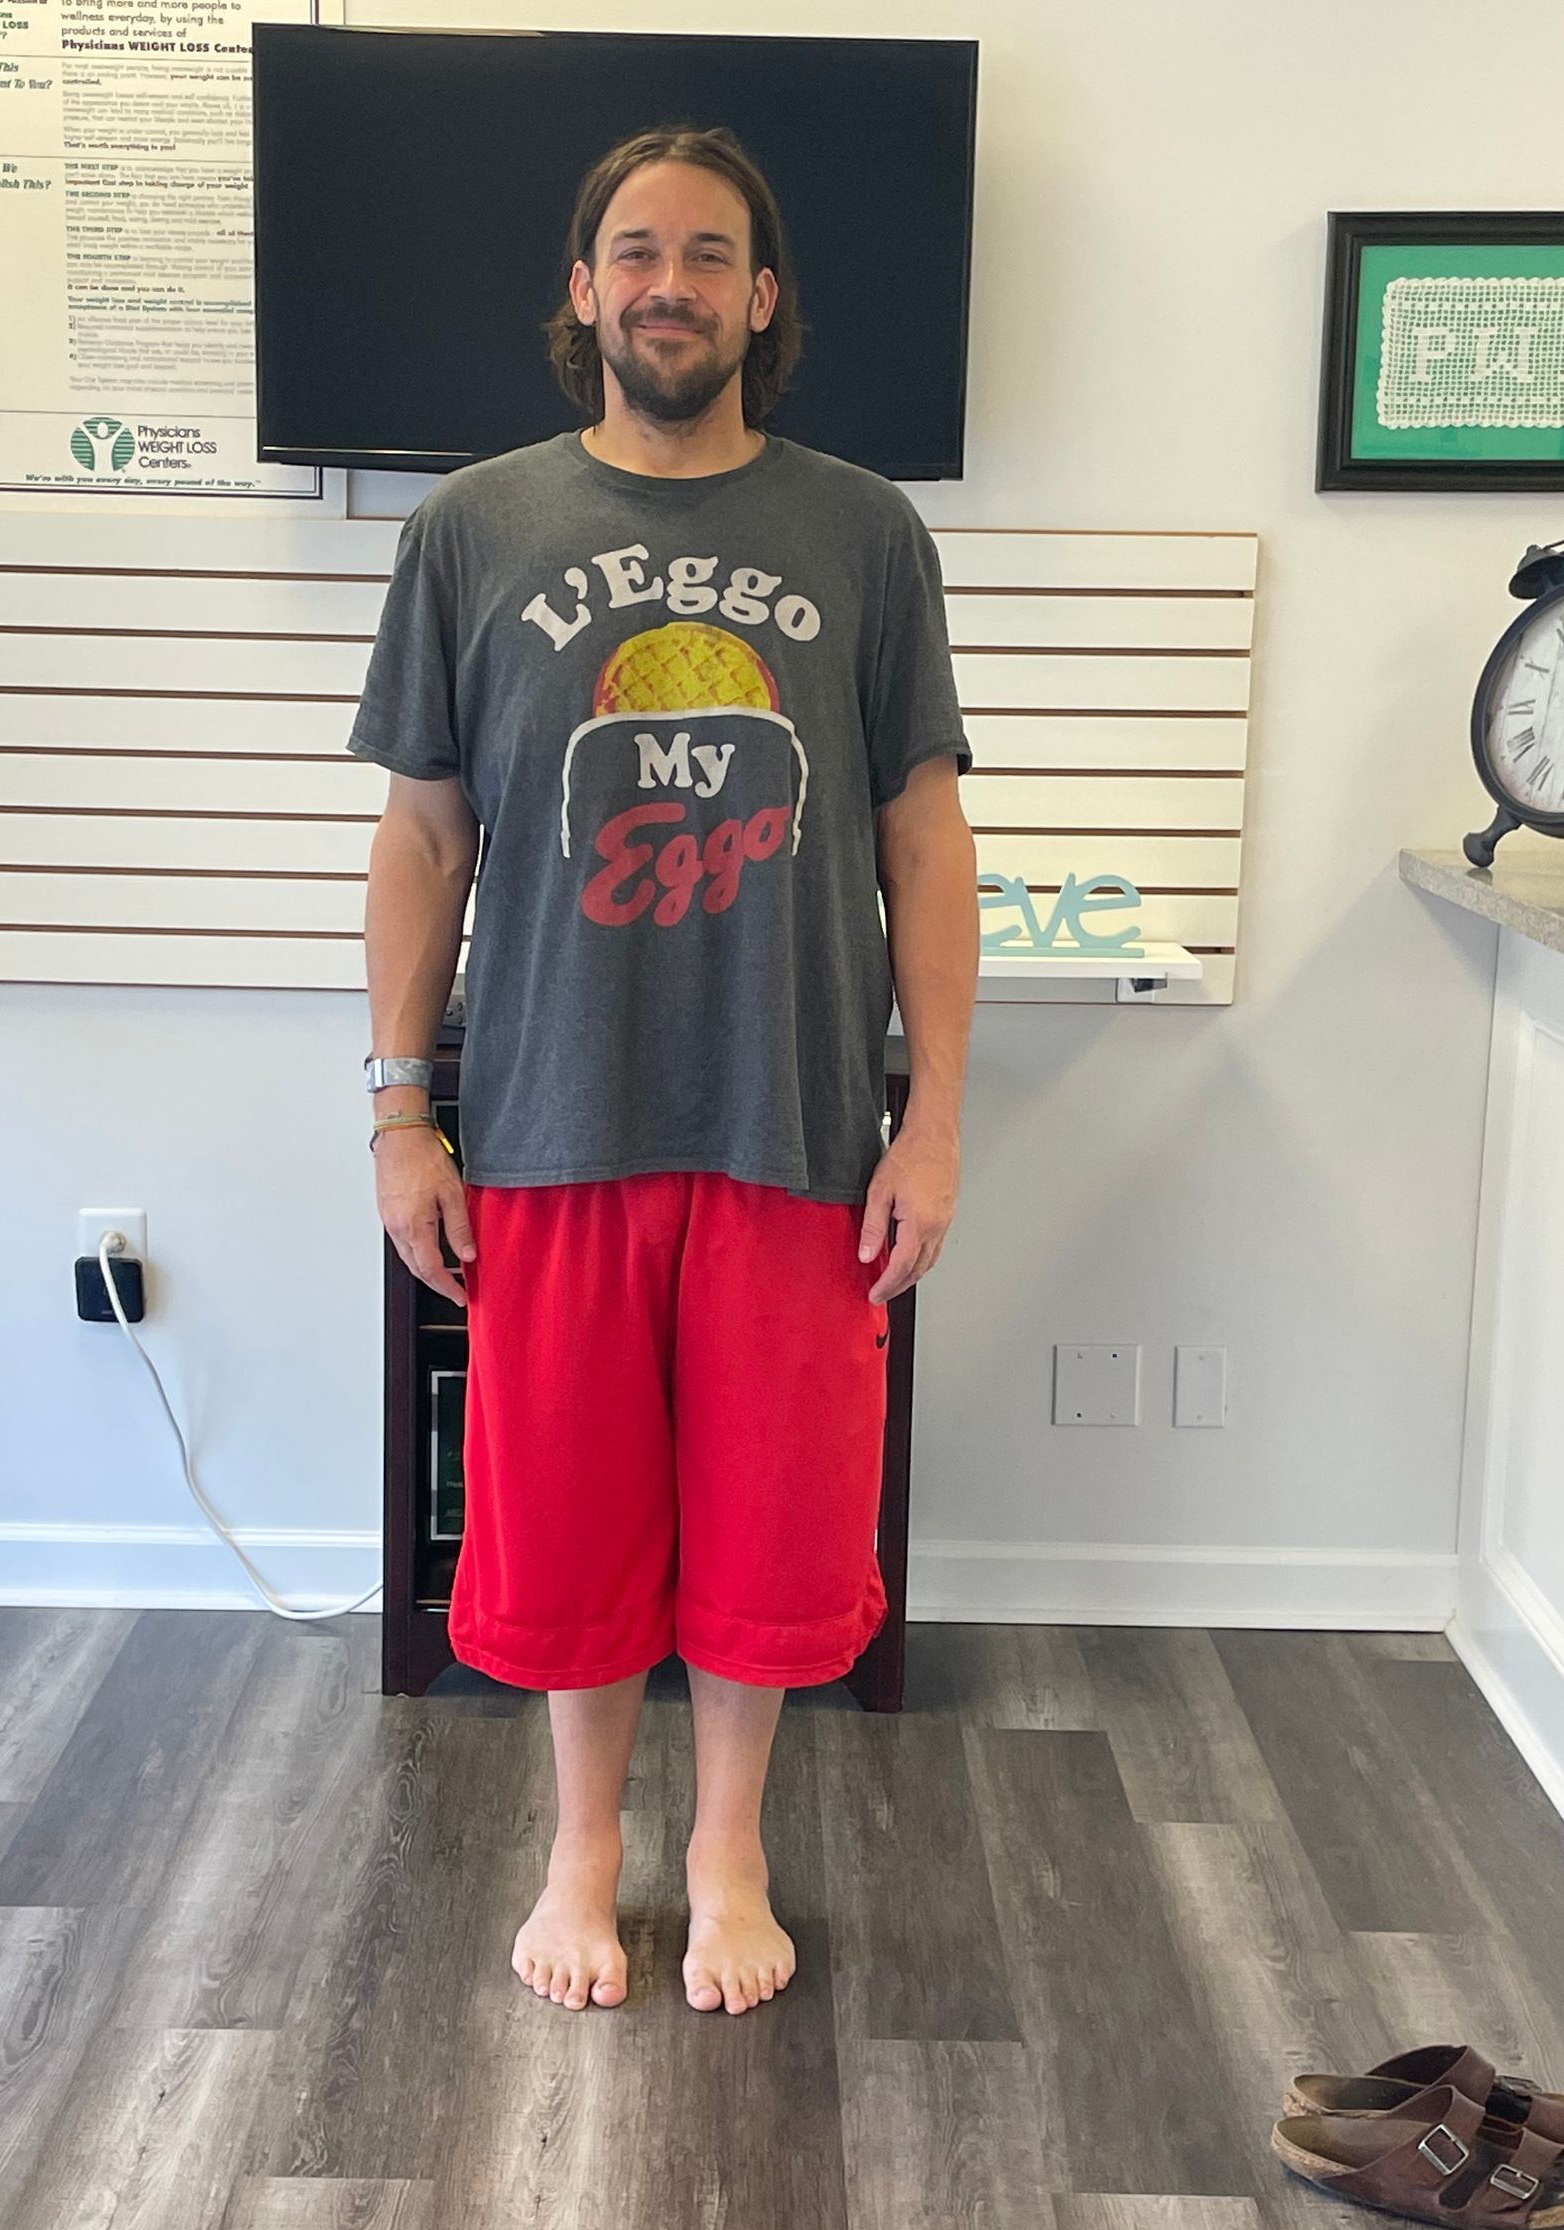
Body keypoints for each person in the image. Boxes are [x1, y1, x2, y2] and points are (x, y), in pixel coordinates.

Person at [353, 123, 978, 2018]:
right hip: (548, 1121)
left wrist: (931, 1120)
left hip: (794, 1126)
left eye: (711, 255)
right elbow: (423, 839)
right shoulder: (473, 526)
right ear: (583, 288)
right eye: (636, 251)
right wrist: (402, 1109)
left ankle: (727, 1856)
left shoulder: (864, 531)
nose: (671, 285)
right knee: (568, 1526)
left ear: (761, 297)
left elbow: (927, 843)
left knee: (779, 1531)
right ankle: (575, 1856)